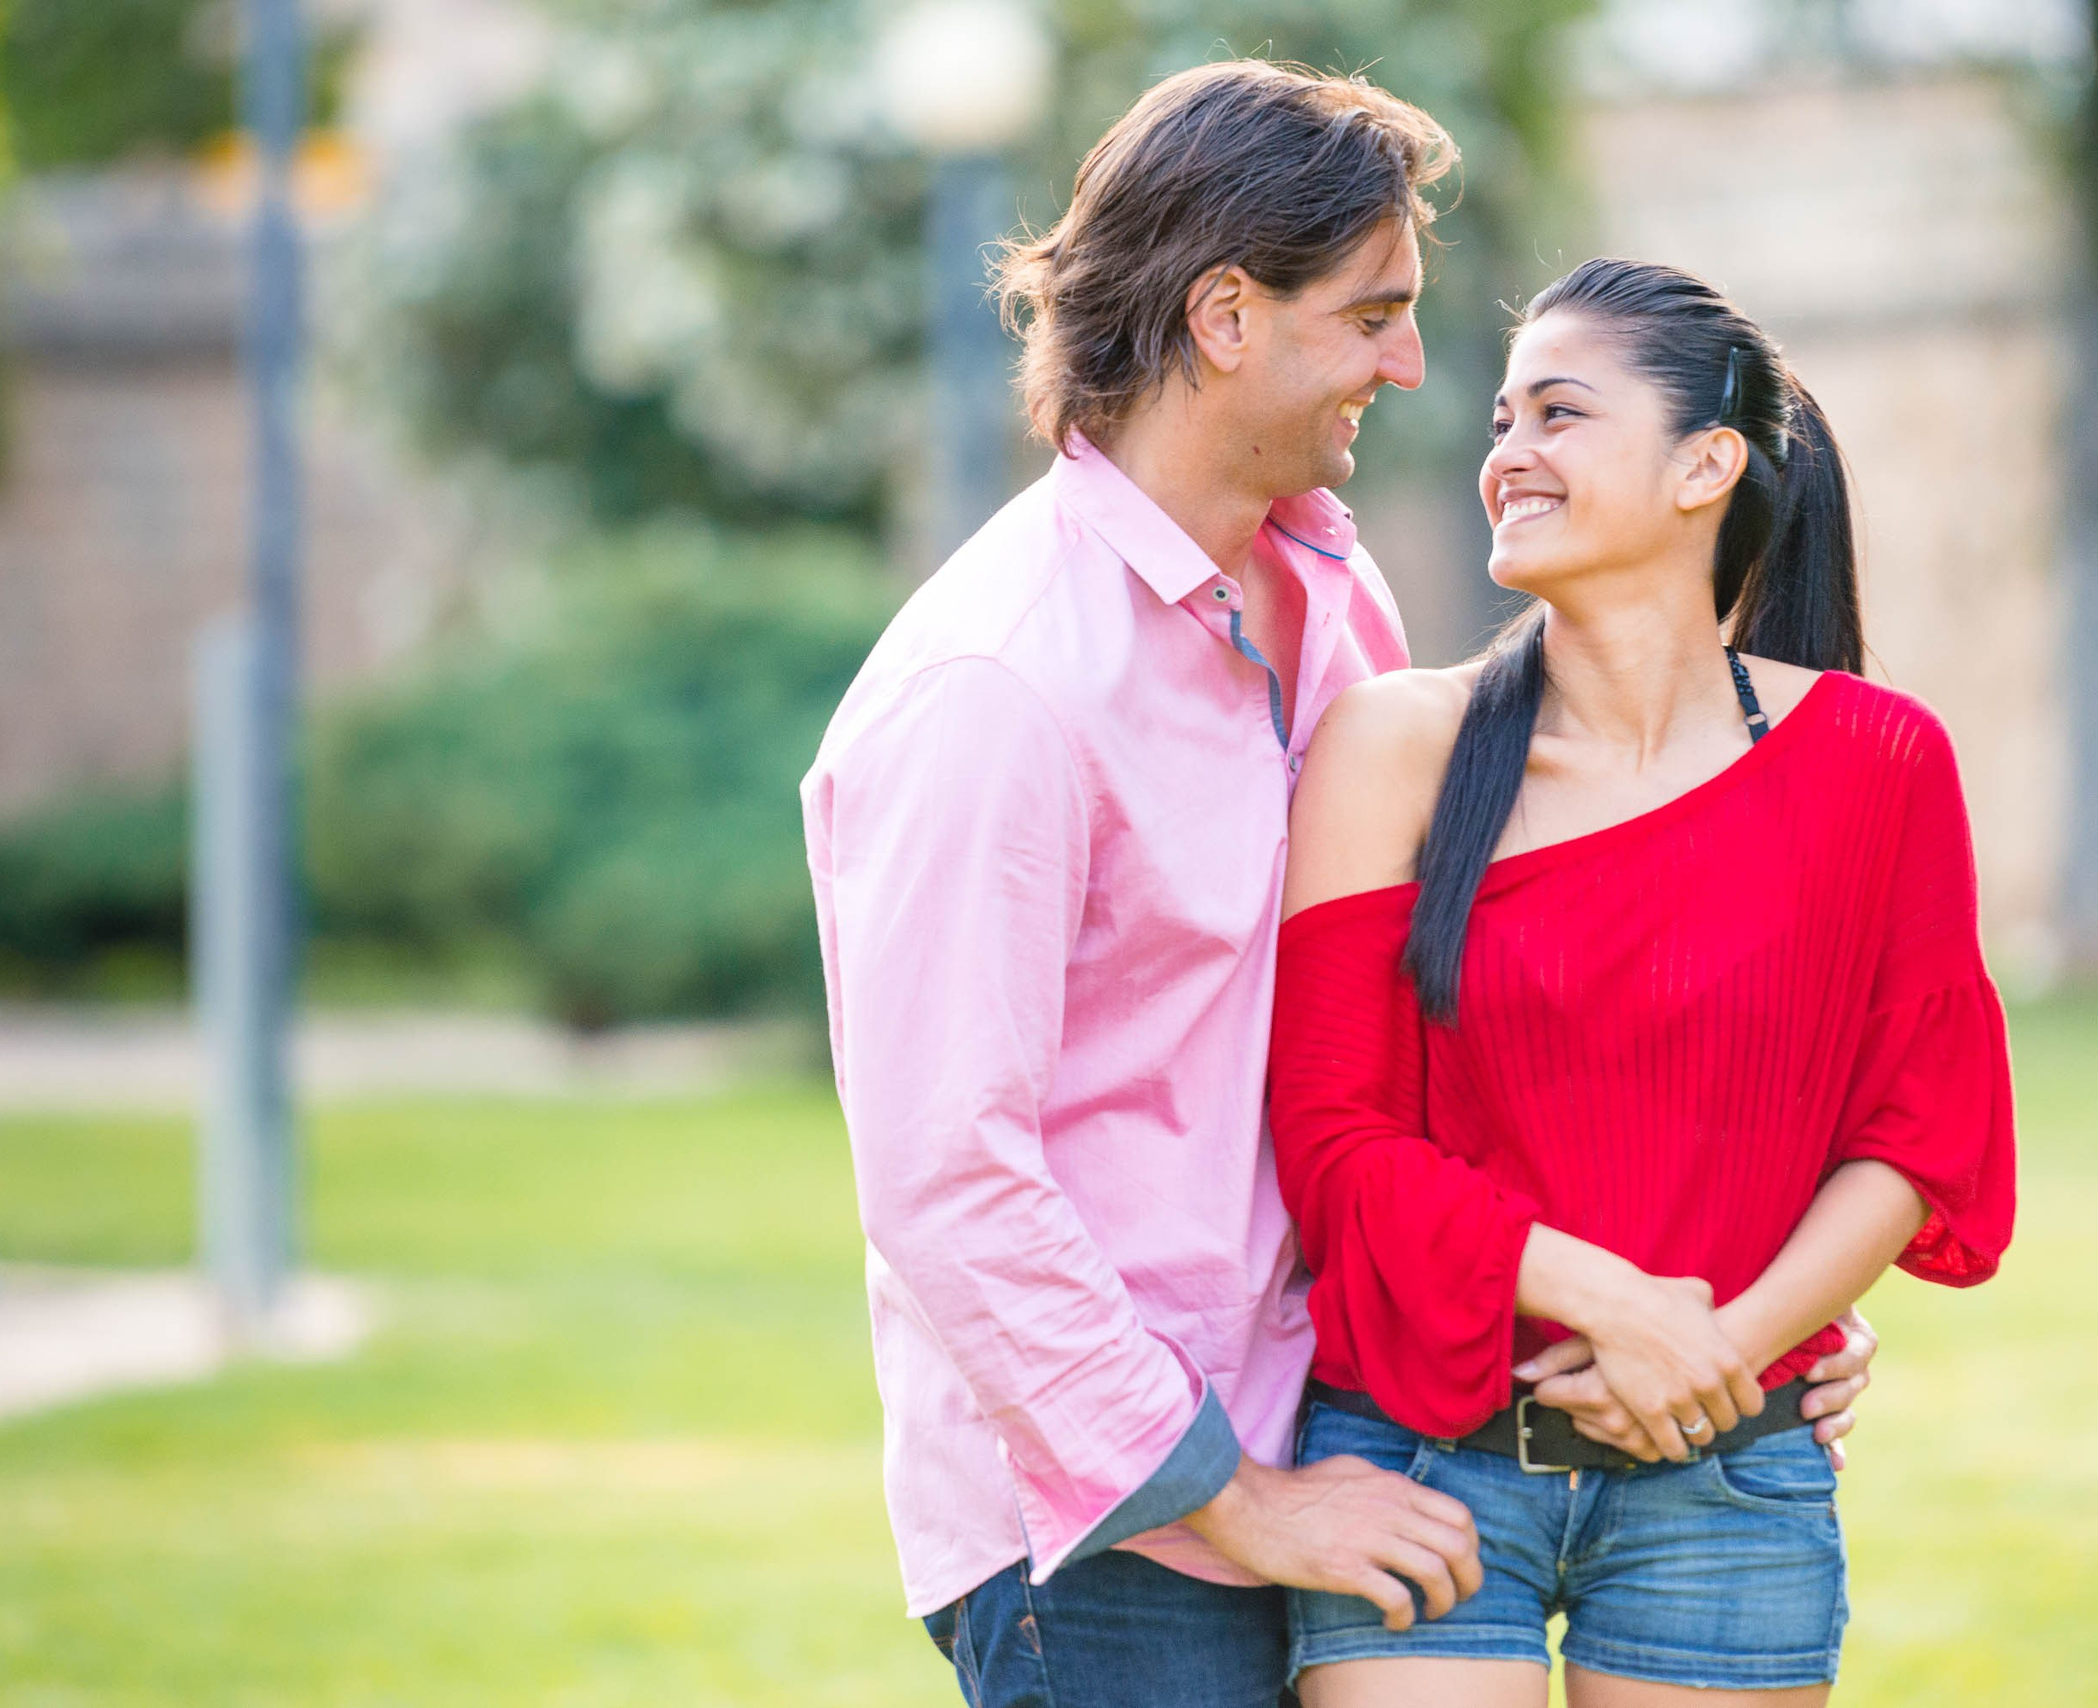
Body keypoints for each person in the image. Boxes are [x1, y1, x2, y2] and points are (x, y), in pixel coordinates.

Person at [803, 66, 1877, 1708]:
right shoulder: (998, 682)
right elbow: (948, 1181)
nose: (1414, 365)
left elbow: (1422, 1033)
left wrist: (1723, 1314)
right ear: (1227, 315)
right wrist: (1235, 1499)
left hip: (1347, 1430)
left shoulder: (1329, 592)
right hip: (1117, 1546)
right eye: (1374, 313)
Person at [1269, 258, 2017, 1707]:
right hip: (1421, 1469)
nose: (1506, 458)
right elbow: (1332, 1141)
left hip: (1725, 1479)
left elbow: (1917, 1136)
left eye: (1558, 414)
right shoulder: (1395, 745)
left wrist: (1714, 1357)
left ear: (1706, 465)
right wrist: (1624, 1304)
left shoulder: (1880, 761)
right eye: (1500, 422)